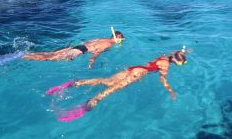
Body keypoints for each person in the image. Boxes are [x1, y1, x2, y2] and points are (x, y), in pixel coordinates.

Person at [46, 47, 189, 122]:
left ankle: (73, 84)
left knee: (105, 81)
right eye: (182, 63)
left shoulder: (166, 56)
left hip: (134, 68)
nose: (181, 64)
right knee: (107, 92)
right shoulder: (166, 65)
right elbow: (162, 79)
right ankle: (85, 107)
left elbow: (177, 52)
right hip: (137, 74)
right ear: (176, 61)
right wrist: (170, 91)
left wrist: (185, 52)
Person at [0, 28, 125, 68]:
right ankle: (18, 56)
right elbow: (96, 52)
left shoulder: (101, 38)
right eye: (121, 39)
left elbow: (87, 42)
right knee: (49, 59)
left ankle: (17, 54)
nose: (120, 41)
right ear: (117, 38)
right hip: (79, 51)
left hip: (77, 46)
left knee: (49, 53)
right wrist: (91, 63)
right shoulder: (108, 44)